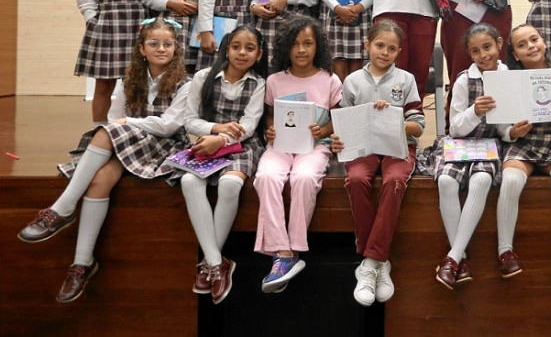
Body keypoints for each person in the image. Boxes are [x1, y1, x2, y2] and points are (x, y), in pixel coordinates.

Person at [19, 19, 190, 302]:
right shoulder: (129, 79)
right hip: (129, 141)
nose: (161, 49)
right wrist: (126, 125)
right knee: (99, 180)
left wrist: (129, 123)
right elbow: (114, 118)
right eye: (154, 43)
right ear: (141, 49)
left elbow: (169, 126)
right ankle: (82, 264)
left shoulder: (187, 82)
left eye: (168, 44)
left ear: (176, 48)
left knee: (107, 132)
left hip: (164, 147)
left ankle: (62, 209)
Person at [330, 20, 425, 307]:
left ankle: (370, 261)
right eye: (380, 45)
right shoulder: (352, 81)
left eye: (392, 48)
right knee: (357, 179)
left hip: (397, 146)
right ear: (367, 45)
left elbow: (418, 126)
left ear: (399, 52)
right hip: (363, 147)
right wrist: (337, 140)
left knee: (395, 181)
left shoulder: (406, 80)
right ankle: (380, 261)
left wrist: (395, 117)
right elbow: (343, 125)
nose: (385, 52)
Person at [180, 25, 268, 305]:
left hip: (242, 146)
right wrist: (216, 132)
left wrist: (222, 139)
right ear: (226, 48)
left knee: (231, 184)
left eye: (250, 48)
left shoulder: (259, 84)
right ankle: (218, 263)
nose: (242, 52)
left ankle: (209, 263)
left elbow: (250, 127)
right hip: (205, 142)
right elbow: (189, 120)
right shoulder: (203, 77)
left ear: (259, 54)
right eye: (236, 46)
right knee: (188, 181)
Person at [254, 16, 342, 293]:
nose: (301, 50)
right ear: (285, 48)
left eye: (308, 43)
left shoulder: (329, 79)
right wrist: (270, 130)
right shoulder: (274, 80)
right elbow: (269, 117)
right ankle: (283, 254)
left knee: (304, 178)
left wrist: (323, 129)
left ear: (318, 47)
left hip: (315, 147)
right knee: (266, 176)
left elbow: (340, 118)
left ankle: (293, 249)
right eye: (295, 44)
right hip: (280, 147)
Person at [495, 24, 551, 284]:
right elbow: (501, 127)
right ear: (515, 54)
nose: (531, 46)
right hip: (522, 144)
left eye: (534, 39)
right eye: (522, 45)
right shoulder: (510, 81)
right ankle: (505, 250)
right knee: (511, 180)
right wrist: (512, 131)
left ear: (544, 43)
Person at [431, 23, 508, 289]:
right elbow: (455, 128)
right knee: (445, 182)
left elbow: (505, 131)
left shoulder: (509, 78)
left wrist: (514, 131)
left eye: (487, 47)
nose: (483, 55)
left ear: (499, 44)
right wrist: (475, 111)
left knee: (481, 181)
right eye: (475, 51)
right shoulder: (464, 80)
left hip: (489, 145)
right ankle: (460, 258)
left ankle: (452, 259)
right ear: (469, 54)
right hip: (460, 143)